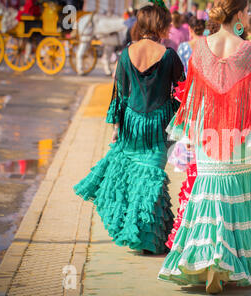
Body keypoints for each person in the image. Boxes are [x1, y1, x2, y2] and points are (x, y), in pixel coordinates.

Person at [158, 0, 251, 294]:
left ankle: (207, 259)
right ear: (239, 14)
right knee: (237, 188)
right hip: (237, 127)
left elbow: (192, 95)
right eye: (247, 11)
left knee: (207, 188)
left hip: (208, 127)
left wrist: (190, 128)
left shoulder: (200, 47)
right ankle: (227, 262)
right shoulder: (248, 50)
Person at [74, 2, 185, 255]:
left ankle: (148, 236)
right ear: (159, 25)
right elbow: (182, 89)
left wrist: (116, 126)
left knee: (139, 178)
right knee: (151, 178)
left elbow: (120, 94)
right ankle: (146, 238)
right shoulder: (169, 55)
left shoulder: (126, 54)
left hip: (131, 123)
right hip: (160, 125)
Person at [165, 17, 206, 250]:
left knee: (191, 157)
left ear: (190, 30)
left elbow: (182, 78)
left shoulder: (184, 48)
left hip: (191, 104)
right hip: (210, 114)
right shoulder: (210, 47)